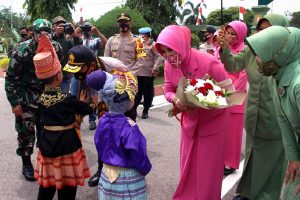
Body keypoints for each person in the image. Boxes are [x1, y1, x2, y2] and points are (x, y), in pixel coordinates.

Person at [218, 13, 289, 200]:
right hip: (253, 116)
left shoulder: (288, 54)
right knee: (250, 158)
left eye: (269, 30)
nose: (263, 34)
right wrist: (225, 49)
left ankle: (266, 196)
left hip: (276, 118)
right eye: (260, 29)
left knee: (272, 162)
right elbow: (233, 66)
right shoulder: (251, 49)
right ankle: (246, 193)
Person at [155, 25, 230, 200]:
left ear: (181, 44)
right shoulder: (168, 65)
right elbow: (167, 89)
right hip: (189, 124)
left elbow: (229, 93)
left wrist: (205, 98)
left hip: (213, 123)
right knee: (188, 166)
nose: (168, 56)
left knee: (208, 170)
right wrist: (175, 99)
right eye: (164, 51)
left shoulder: (210, 62)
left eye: (171, 50)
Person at [32, 33, 95, 200]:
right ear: (59, 76)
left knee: (46, 190)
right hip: (66, 147)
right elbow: (88, 109)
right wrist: (84, 102)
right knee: (67, 192)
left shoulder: (39, 99)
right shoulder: (67, 99)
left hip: (47, 146)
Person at [4, 19, 62, 182]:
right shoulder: (22, 50)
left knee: (47, 132)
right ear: (33, 34)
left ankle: (46, 163)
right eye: (40, 34)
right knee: (26, 134)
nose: (44, 37)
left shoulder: (55, 48)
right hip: (26, 99)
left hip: (47, 98)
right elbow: (10, 79)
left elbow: (58, 69)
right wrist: (14, 102)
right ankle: (26, 164)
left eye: (47, 33)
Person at [246, 25, 300, 200]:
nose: (258, 60)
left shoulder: (297, 85)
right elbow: (283, 120)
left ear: (281, 53)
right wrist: (293, 158)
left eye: (262, 54)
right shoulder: (275, 79)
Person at [63, 45, 129, 187]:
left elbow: (129, 93)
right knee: (102, 134)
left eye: (78, 69)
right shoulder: (81, 74)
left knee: (121, 136)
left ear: (91, 65)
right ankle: (101, 170)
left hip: (119, 102)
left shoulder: (115, 67)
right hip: (100, 100)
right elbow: (82, 103)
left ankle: (125, 170)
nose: (76, 75)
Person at [86, 70, 152, 199]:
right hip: (127, 177)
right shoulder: (129, 127)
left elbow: (99, 143)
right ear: (129, 100)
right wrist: (145, 168)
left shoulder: (103, 121)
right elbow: (138, 152)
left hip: (106, 174)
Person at [220, 21, 248, 176]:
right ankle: (220, 159)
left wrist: (228, 93)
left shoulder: (245, 51)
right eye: (228, 33)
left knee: (233, 134)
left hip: (236, 98)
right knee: (221, 132)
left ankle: (230, 162)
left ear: (241, 35)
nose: (230, 37)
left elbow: (242, 77)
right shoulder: (223, 48)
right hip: (220, 94)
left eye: (233, 34)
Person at [104, 12, 144, 121]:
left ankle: (131, 134)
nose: (123, 24)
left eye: (126, 22)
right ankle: (116, 135)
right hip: (113, 81)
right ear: (118, 24)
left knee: (130, 111)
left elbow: (141, 60)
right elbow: (106, 60)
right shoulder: (111, 40)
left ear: (130, 22)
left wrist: (129, 73)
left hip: (130, 81)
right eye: (121, 22)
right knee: (113, 110)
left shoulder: (138, 41)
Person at [70, 21, 107, 130]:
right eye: (84, 29)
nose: (86, 31)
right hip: (77, 72)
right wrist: (74, 33)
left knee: (91, 97)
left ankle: (92, 119)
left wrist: (97, 31)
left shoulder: (94, 41)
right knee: (74, 95)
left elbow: (105, 43)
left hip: (91, 73)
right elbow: (67, 43)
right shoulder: (78, 40)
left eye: (88, 28)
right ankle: (76, 118)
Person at [133, 27, 164, 119]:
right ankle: (133, 109)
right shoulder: (139, 44)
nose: (139, 36)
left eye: (141, 35)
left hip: (149, 74)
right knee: (138, 93)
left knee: (148, 93)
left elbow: (160, 57)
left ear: (145, 35)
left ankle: (145, 110)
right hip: (138, 73)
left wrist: (155, 68)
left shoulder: (153, 45)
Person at [51, 16, 83, 93]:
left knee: (64, 100)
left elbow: (79, 47)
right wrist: (56, 34)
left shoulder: (68, 40)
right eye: (58, 24)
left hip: (65, 76)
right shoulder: (49, 38)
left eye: (63, 24)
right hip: (52, 78)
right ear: (53, 26)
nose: (61, 26)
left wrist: (74, 35)